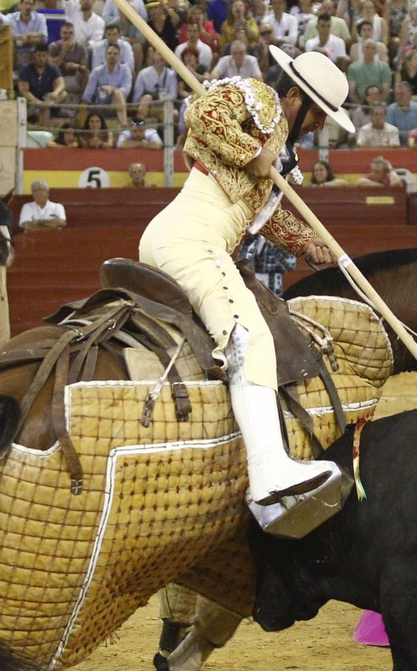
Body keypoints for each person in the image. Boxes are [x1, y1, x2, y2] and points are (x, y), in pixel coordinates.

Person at [136, 48, 354, 537]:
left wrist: (307, 242)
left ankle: (261, 487)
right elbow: (203, 112)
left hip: (185, 237)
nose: (321, 126)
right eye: (320, 113)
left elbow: (263, 211)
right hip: (192, 239)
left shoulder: (281, 150)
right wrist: (254, 153)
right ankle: (269, 473)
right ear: (297, 97)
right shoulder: (261, 99)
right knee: (249, 338)